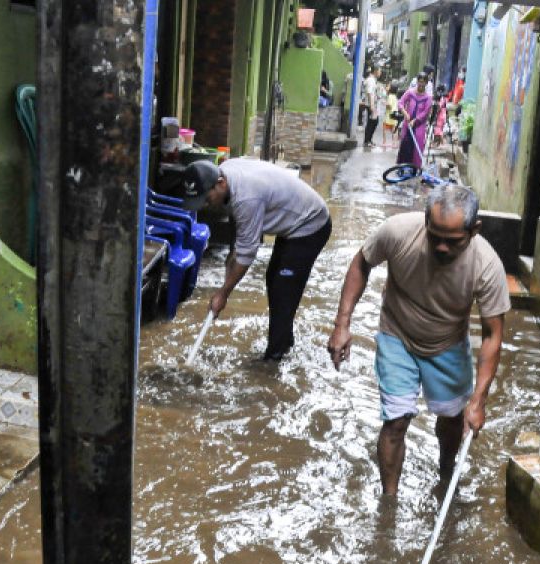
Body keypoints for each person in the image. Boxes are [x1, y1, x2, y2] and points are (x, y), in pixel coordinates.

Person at [326, 185, 509, 496]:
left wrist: (478, 401)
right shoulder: (397, 232)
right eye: (434, 237)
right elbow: (361, 263)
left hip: (448, 343)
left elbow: (493, 335)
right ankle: (389, 501)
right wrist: (342, 324)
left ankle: (446, 475)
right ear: (425, 220)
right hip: (397, 334)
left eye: (452, 242)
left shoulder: (487, 266)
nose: (441, 248)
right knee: (396, 422)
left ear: (474, 230)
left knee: (452, 420)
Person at [176, 158, 332, 360]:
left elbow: (248, 253)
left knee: (283, 286)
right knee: (273, 278)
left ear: (220, 183)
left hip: (311, 223)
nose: (206, 205)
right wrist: (231, 260)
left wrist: (223, 293)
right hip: (294, 219)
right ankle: (285, 341)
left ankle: (275, 358)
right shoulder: (226, 173)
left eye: (206, 199)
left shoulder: (246, 198)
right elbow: (239, 234)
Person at [397, 73, 433, 169]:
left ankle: (415, 168)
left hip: (419, 127)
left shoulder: (428, 98)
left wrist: (415, 121)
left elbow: (425, 113)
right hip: (407, 124)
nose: (421, 84)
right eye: (420, 81)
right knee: (405, 146)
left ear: (426, 83)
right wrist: (405, 112)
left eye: (423, 82)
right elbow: (400, 103)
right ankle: (401, 167)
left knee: (416, 148)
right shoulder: (410, 93)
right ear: (417, 81)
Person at [382, 80, 400, 147]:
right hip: (395, 115)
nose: (387, 87)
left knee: (384, 128)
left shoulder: (390, 96)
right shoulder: (395, 97)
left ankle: (384, 142)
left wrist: (385, 104)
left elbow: (389, 106)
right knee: (394, 129)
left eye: (389, 86)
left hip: (389, 115)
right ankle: (394, 143)